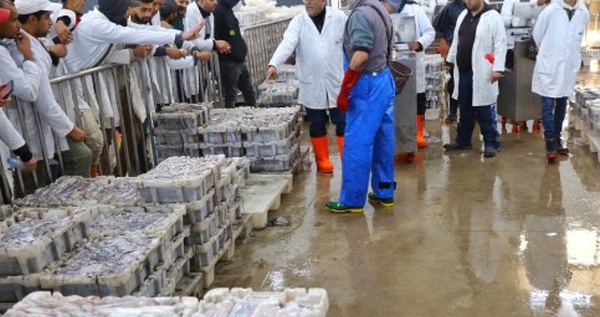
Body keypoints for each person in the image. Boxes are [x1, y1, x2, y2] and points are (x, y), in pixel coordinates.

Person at [325, 0, 399, 213]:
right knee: (383, 140)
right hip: (384, 80)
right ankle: (385, 193)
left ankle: (352, 200)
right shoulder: (380, 10)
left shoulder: (360, 15)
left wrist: (346, 87)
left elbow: (360, 56)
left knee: (358, 143)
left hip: (366, 85)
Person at [266, 0, 347, 173]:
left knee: (343, 122)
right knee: (317, 123)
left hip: (337, 81)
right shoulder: (298, 21)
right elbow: (287, 43)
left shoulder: (339, 18)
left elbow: (351, 43)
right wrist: (274, 64)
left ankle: (347, 159)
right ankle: (323, 160)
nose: (307, 2)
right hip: (312, 83)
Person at [442, 0, 506, 158]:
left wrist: (498, 68)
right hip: (463, 70)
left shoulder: (493, 17)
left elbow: (500, 44)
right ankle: (463, 140)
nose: (467, 1)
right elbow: (456, 42)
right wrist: (449, 61)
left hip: (482, 71)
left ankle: (491, 142)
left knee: (483, 109)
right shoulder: (463, 15)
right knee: (464, 109)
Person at [531, 0, 588, 161]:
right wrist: (549, 53)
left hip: (567, 67)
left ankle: (556, 137)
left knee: (562, 103)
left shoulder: (583, 12)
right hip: (550, 65)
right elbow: (537, 35)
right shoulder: (550, 11)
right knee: (548, 105)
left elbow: (578, 38)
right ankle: (549, 142)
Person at [391, 0, 435, 148]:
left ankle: (419, 132)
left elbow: (430, 32)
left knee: (417, 98)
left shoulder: (416, 9)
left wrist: (419, 43)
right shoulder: (385, 10)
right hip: (394, 61)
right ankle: (399, 134)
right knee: (396, 99)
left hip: (414, 60)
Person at [213, 0, 256, 108]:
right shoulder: (218, 11)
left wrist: (242, 46)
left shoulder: (227, 10)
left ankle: (253, 112)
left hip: (239, 59)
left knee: (249, 92)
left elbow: (234, 32)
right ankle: (230, 119)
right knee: (230, 96)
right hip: (229, 61)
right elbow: (216, 35)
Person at [432, 0, 466, 124]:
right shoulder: (450, 8)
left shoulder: (478, 8)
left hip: (473, 51)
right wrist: (443, 41)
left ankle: (472, 113)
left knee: (472, 81)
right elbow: (436, 25)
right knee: (453, 81)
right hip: (453, 49)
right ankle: (452, 112)